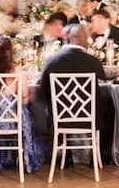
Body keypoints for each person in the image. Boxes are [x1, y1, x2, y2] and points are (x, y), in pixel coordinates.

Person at [40, 25, 113, 163]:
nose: (88, 40)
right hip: (88, 115)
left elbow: (43, 92)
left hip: (60, 116)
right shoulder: (92, 61)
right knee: (110, 107)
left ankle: (62, 156)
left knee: (46, 108)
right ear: (75, 39)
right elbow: (103, 83)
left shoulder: (52, 61)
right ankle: (101, 156)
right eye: (85, 37)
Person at [0, 36, 42, 174]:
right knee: (28, 110)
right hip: (12, 122)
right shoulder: (16, 72)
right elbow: (24, 98)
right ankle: (25, 159)